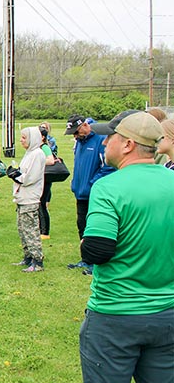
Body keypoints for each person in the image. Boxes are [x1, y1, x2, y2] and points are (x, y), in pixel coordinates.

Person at [78, 110, 174, 383]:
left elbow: (97, 251)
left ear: (129, 144)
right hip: (167, 314)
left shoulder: (109, 187)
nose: (104, 143)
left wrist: (84, 242)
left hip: (115, 315)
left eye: (110, 137)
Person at [64, 114, 114, 274]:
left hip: (94, 193)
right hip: (80, 193)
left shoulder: (101, 140)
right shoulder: (79, 142)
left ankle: (96, 263)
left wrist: (92, 184)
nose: (75, 136)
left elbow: (108, 167)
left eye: (76, 132)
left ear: (85, 125)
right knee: (82, 225)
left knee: (95, 228)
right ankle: (86, 259)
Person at [7, 127, 46, 272]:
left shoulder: (37, 154)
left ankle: (37, 260)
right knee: (22, 229)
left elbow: (30, 177)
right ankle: (28, 256)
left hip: (30, 199)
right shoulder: (29, 153)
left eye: (24, 138)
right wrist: (15, 171)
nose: (21, 140)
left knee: (30, 230)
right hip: (22, 198)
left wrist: (16, 175)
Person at [38, 126, 57, 240]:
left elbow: (50, 160)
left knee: (42, 204)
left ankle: (45, 231)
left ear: (43, 137)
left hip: (45, 179)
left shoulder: (44, 147)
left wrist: (38, 161)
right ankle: (39, 228)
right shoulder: (38, 147)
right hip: (40, 178)